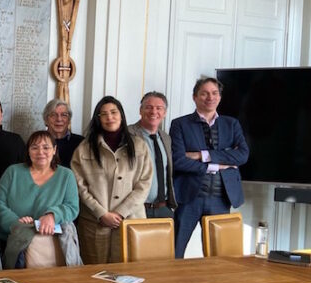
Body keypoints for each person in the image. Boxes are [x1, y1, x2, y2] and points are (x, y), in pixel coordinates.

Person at [170, 77, 249, 258]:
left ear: (220, 97)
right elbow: (179, 160)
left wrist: (200, 155)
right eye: (204, 93)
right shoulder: (180, 124)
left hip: (220, 198)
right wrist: (219, 164)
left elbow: (242, 155)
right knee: (174, 252)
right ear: (195, 97)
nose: (210, 97)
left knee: (219, 256)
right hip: (189, 197)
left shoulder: (232, 124)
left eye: (214, 93)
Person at [71, 96, 153, 264]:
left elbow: (144, 184)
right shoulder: (84, 149)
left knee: (129, 274)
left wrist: (120, 212)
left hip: (130, 220)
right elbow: (79, 186)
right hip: (95, 222)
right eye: (104, 114)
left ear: (121, 116)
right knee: (95, 274)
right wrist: (102, 213)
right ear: (98, 119)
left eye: (114, 112)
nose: (110, 117)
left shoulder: (139, 146)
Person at [0, 131, 80, 268]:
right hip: (13, 241)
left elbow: (72, 207)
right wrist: (16, 222)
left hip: (53, 244)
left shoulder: (66, 175)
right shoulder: (13, 172)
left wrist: (52, 215)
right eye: (34, 147)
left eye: (46, 147)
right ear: (28, 151)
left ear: (54, 150)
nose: (40, 152)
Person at [127, 91, 177, 219]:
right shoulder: (127, 134)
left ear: (164, 113)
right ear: (140, 110)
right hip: (137, 209)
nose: (154, 112)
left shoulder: (166, 138)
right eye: (148, 107)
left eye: (159, 108)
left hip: (164, 209)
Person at [43, 98, 84, 168]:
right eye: (53, 115)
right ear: (46, 120)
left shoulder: (81, 143)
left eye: (64, 115)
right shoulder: (37, 142)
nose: (59, 119)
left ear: (69, 120)